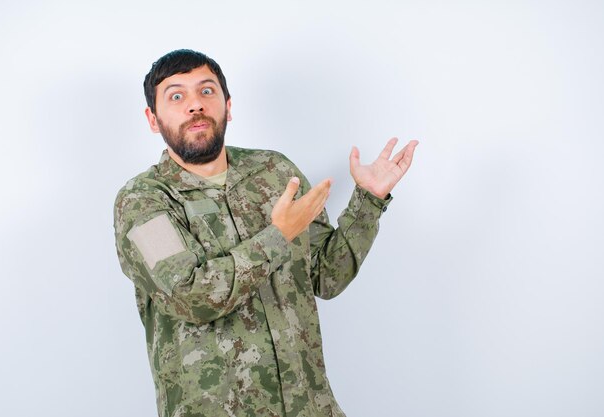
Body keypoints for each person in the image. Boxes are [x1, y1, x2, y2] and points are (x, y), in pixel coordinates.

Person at [113, 49, 418, 417]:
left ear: (228, 105)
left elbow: (327, 276)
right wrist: (278, 235)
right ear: (153, 118)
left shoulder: (274, 172)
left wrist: (369, 201)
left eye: (206, 91)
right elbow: (192, 296)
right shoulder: (142, 202)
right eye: (176, 96)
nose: (195, 105)